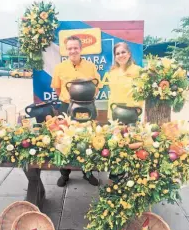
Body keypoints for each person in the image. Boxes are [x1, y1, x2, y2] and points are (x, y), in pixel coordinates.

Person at [51, 35, 101, 187]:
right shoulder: (59, 68)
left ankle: (88, 172)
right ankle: (64, 173)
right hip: (66, 106)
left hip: (85, 107)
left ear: (81, 49)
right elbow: (57, 87)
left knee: (87, 140)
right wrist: (68, 98)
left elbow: (96, 86)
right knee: (63, 140)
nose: (73, 51)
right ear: (66, 50)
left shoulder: (90, 67)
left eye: (76, 48)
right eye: (70, 48)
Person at [107, 42, 144, 120]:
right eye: (117, 53)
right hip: (115, 114)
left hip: (133, 114)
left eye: (123, 52)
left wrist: (137, 110)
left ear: (129, 54)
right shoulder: (112, 73)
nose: (121, 55)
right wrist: (110, 115)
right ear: (115, 57)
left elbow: (143, 93)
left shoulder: (138, 71)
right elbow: (112, 96)